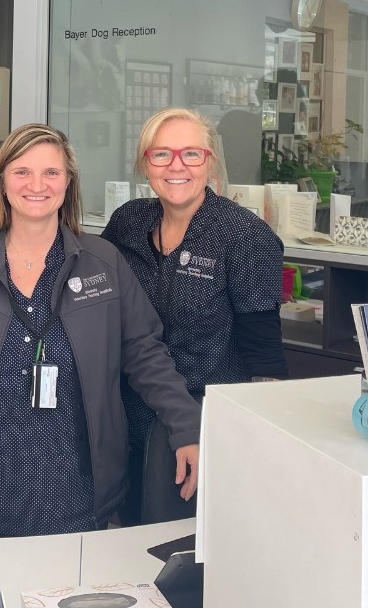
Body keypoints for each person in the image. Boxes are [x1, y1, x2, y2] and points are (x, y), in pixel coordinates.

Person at [0, 124, 200, 538]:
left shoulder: (104, 263)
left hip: (78, 496)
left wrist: (187, 425)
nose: (37, 185)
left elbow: (145, 353)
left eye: (52, 173)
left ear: (68, 183)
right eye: (22, 172)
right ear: (2, 182)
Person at [101, 107, 287, 524]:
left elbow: (265, 361)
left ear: (211, 161)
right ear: (145, 163)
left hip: (202, 429)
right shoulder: (127, 222)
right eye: (161, 154)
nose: (177, 166)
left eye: (192, 154)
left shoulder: (244, 238)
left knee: (177, 555)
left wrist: (252, 449)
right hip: (126, 416)